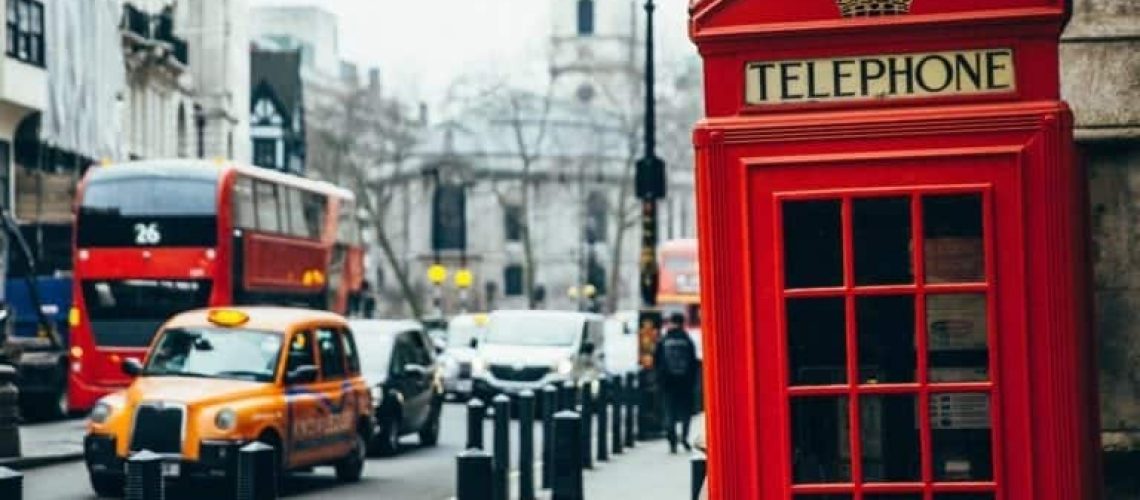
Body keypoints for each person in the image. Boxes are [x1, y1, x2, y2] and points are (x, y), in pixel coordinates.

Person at [654, 311, 699, 453]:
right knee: (686, 412)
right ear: (682, 323)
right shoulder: (687, 340)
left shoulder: (664, 340)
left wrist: (659, 379)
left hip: (668, 383)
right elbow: (693, 362)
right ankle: (684, 438)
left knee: (669, 412)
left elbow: (657, 362)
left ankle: (672, 440)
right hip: (685, 383)